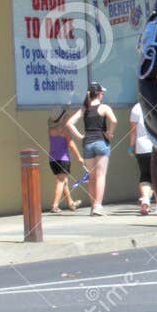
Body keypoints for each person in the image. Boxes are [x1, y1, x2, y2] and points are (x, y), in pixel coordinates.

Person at [67, 82, 116, 217]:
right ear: (99, 94)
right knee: (101, 175)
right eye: (102, 93)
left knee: (92, 177)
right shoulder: (104, 107)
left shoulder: (85, 108)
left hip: (87, 143)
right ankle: (98, 206)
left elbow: (69, 123)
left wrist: (80, 136)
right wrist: (109, 133)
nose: (103, 95)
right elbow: (114, 121)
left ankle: (93, 205)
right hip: (101, 141)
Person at [47, 107, 83, 213]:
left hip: (52, 159)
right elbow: (71, 144)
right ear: (62, 118)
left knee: (64, 181)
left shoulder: (50, 130)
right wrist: (79, 157)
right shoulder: (65, 131)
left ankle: (70, 203)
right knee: (61, 181)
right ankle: (55, 205)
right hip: (63, 159)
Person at [129, 101, 157, 215]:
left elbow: (133, 131)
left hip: (141, 147)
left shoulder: (136, 108)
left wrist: (131, 147)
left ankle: (145, 199)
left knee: (145, 175)